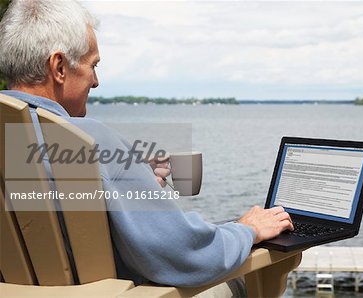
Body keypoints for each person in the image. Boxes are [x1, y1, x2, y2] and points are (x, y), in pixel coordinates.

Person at [0, 0, 294, 289]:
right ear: (59, 67)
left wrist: (129, 180)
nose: (96, 81)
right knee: (252, 273)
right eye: (93, 65)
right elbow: (181, 256)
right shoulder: (88, 141)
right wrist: (247, 229)